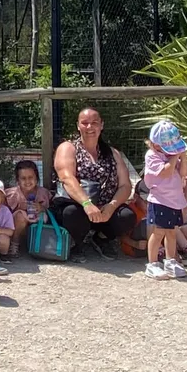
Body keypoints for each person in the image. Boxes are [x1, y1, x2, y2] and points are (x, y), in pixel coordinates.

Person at [50, 107, 136, 259]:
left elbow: (125, 185)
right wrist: (87, 204)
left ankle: (101, 238)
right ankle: (77, 243)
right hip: (79, 206)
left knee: (127, 216)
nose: (89, 127)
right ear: (78, 126)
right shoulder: (68, 148)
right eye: (85, 123)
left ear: (101, 125)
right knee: (71, 213)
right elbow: (67, 178)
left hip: (105, 210)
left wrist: (111, 206)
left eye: (94, 123)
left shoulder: (113, 153)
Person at [143, 120, 187, 280]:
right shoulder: (152, 156)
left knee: (171, 232)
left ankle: (171, 261)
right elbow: (165, 173)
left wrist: (183, 158)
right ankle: (152, 264)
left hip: (174, 200)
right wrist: (175, 155)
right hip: (159, 200)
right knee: (158, 232)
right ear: (155, 144)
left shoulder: (171, 156)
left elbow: (183, 173)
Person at [4, 160, 51, 257]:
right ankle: (14, 245)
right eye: (23, 178)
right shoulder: (12, 194)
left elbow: (50, 210)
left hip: (36, 225)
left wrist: (41, 208)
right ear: (18, 180)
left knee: (44, 215)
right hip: (17, 228)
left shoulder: (43, 193)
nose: (27, 181)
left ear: (36, 178)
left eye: (30, 178)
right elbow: (5, 213)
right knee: (20, 215)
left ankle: (41, 245)